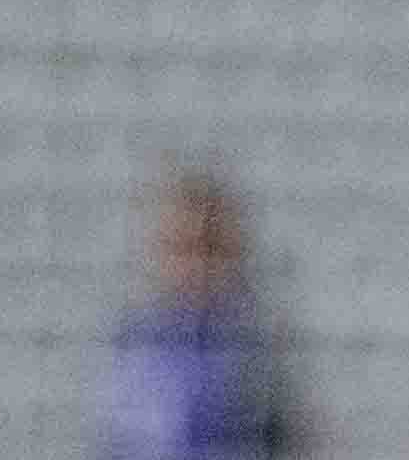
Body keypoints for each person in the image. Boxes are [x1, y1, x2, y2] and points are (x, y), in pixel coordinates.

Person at [96, 165, 285, 460]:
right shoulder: (135, 348)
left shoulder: (256, 352)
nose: (197, 268)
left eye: (209, 249)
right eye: (183, 249)